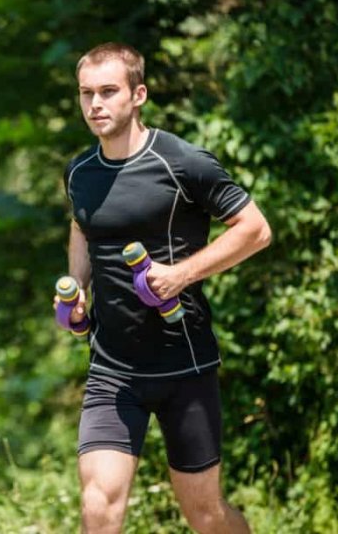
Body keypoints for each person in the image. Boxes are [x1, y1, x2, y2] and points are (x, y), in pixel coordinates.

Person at [56, 42, 271, 533]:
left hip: (184, 364)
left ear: (139, 94)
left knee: (206, 516)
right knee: (98, 506)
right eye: (86, 93)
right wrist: (79, 287)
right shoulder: (80, 172)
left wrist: (180, 274)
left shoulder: (182, 161)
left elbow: (255, 230)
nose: (95, 104)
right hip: (113, 367)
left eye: (108, 91)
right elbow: (82, 227)